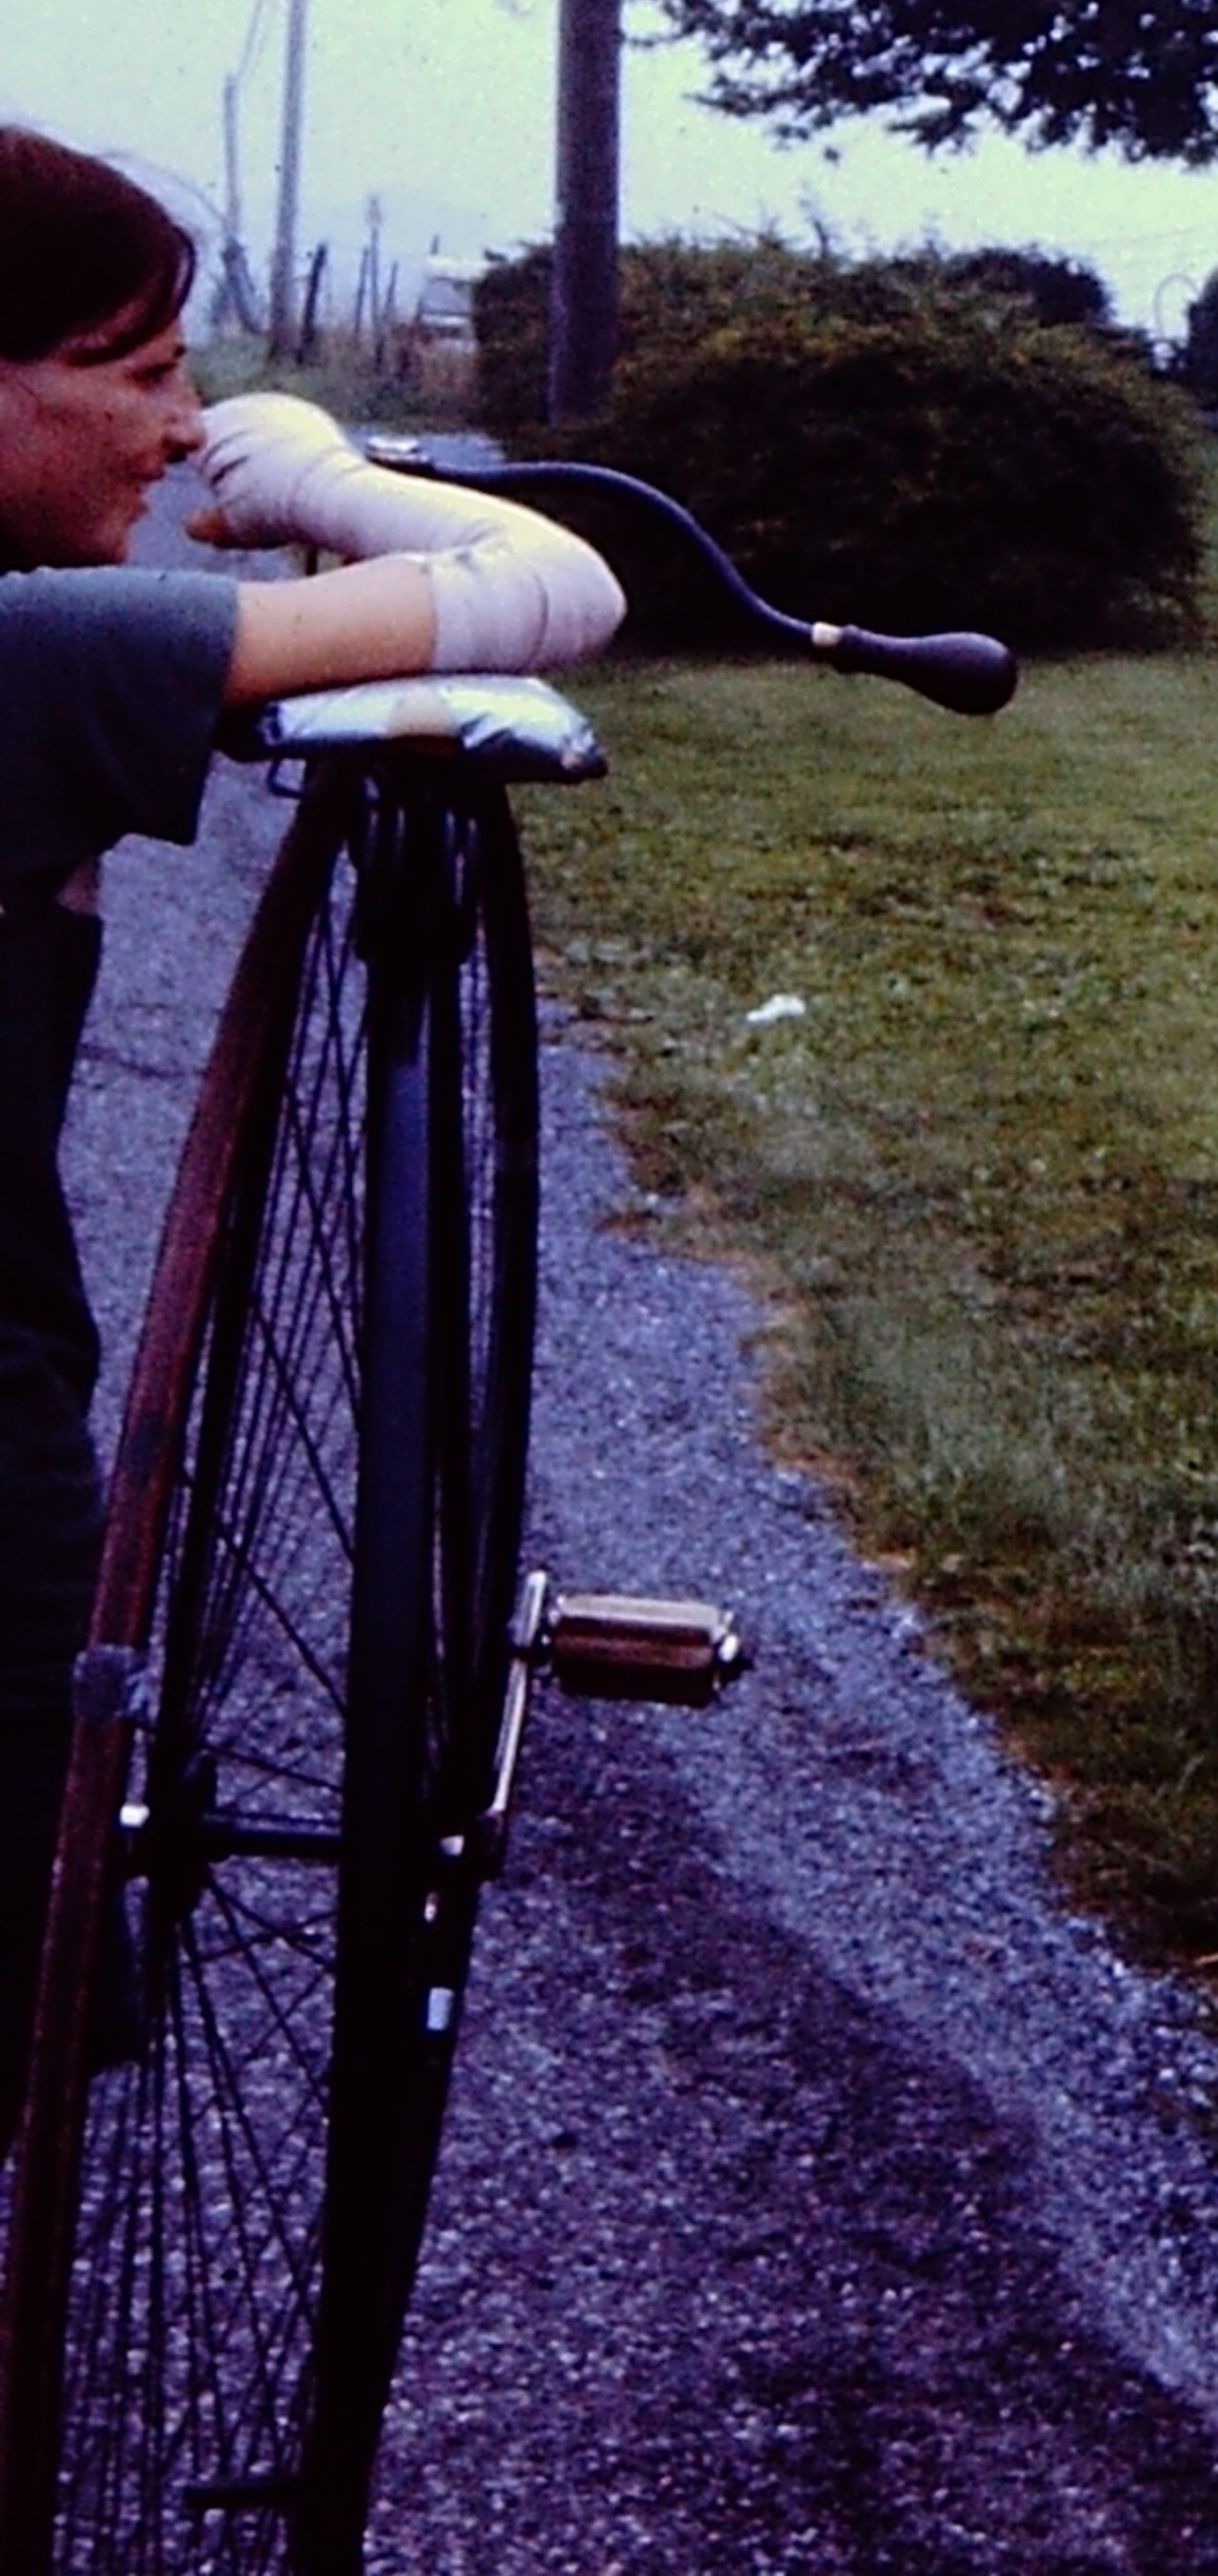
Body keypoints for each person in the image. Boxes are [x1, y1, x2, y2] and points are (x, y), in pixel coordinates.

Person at [4, 123, 622, 2062]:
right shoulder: (41, 658)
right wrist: (332, 478)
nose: (180, 431)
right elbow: (551, 588)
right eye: (145, 370)